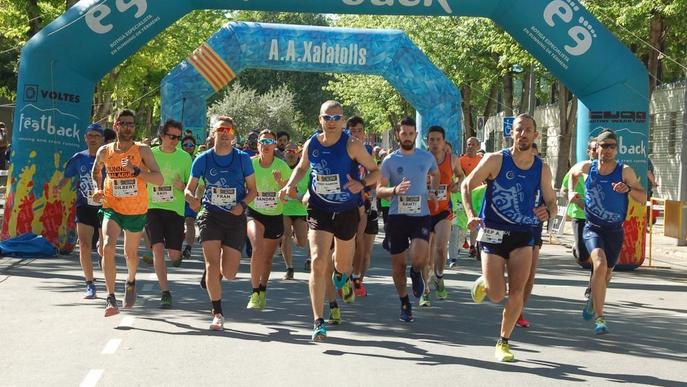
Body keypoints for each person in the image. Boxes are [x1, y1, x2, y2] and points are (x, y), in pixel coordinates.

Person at [279, 100, 379, 342]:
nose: (332, 122)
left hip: (346, 211)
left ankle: (341, 277)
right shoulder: (312, 143)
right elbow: (302, 168)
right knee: (317, 260)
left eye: (336, 118)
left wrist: (362, 184)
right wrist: (290, 184)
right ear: (320, 119)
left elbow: (376, 171)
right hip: (318, 207)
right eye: (327, 118)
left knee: (343, 265)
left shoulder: (352, 145)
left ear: (343, 121)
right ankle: (318, 321)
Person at [461, 114, 556, 361]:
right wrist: (471, 214)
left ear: (536, 135)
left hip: (523, 234)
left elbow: (553, 202)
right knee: (496, 294)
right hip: (493, 233)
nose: (523, 134)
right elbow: (467, 185)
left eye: (528, 130)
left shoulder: (541, 168)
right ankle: (486, 283)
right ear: (511, 133)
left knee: (518, 290)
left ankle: (503, 341)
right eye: (518, 130)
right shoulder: (496, 160)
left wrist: (548, 212)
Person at [568, 129, 646, 335]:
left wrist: (628, 190)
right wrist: (570, 192)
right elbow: (572, 175)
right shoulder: (588, 167)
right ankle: (600, 319)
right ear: (597, 148)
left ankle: (594, 300)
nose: (608, 150)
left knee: (607, 273)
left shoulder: (624, 171)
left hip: (614, 231)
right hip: (592, 227)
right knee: (599, 264)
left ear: (616, 149)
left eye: (612, 146)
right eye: (605, 146)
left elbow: (643, 197)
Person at [185, 116, 257, 330]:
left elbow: (253, 191)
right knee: (211, 263)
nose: (225, 133)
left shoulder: (243, 158)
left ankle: (212, 275)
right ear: (213, 133)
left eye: (229, 130)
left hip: (235, 217)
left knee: (230, 273)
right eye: (220, 130)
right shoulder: (203, 159)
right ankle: (217, 312)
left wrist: (242, 205)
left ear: (233, 134)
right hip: (211, 215)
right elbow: (190, 188)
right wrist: (192, 199)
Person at [92, 109, 163, 317]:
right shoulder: (105, 151)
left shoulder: (143, 151)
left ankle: (131, 279)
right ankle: (110, 297)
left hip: (136, 209)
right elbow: (96, 171)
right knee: (107, 246)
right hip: (111, 206)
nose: (128, 127)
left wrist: (137, 171)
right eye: (123, 123)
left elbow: (159, 179)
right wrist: (97, 189)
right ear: (116, 126)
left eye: (131, 124)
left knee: (130, 254)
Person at [377, 117, 440, 322]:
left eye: (411, 133)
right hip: (397, 216)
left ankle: (416, 272)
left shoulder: (426, 157)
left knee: (420, 257)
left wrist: (434, 191)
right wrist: (394, 190)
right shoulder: (390, 161)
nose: (407, 137)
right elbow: (379, 190)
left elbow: (436, 174)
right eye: (403, 133)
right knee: (397, 265)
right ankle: (404, 302)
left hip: (420, 215)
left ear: (416, 135)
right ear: (398, 135)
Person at [145, 120, 192, 308]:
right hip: (152, 208)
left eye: (178, 138)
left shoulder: (185, 157)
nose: (175, 141)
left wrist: (184, 186)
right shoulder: (150, 154)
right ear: (162, 136)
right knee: (157, 248)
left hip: (175, 210)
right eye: (172, 137)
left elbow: (195, 185)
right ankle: (165, 292)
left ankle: (177, 255)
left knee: (173, 255)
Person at [55, 123, 105, 299]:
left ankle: (102, 258)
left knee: (103, 248)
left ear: (102, 139)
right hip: (84, 206)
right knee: (83, 244)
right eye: (90, 135)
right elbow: (67, 176)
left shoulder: (109, 158)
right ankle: (90, 284)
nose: (93, 139)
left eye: (96, 136)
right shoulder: (78, 158)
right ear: (85, 138)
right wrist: (58, 187)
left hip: (105, 207)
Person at [246, 130, 291, 309]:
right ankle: (255, 291)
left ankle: (263, 289)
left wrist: (281, 183)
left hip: (274, 215)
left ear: (275, 146)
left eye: (270, 141)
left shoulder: (282, 166)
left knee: (267, 258)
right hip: (254, 212)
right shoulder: (250, 164)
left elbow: (291, 194)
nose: (266, 144)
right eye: (263, 141)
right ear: (258, 145)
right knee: (257, 247)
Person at [421, 126, 463, 307]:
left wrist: (457, 184)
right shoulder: (420, 160)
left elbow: (462, 177)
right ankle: (425, 290)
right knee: (425, 255)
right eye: (431, 140)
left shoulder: (452, 159)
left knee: (440, 247)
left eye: (439, 139)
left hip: (443, 210)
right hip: (423, 211)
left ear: (444, 142)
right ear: (427, 142)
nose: (435, 143)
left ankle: (439, 277)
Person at [348, 115, 377, 299]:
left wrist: (371, 188)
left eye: (359, 130)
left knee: (365, 249)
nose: (356, 134)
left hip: (366, 200)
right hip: (348, 202)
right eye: (352, 131)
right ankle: (349, 277)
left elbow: (374, 175)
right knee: (353, 241)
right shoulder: (344, 148)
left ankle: (359, 279)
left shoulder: (367, 150)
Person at [517, 142, 544, 328]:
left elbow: (551, 203)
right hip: (513, 228)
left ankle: (519, 310)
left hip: (534, 230)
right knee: (514, 274)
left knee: (529, 276)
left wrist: (548, 210)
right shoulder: (514, 175)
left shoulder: (542, 174)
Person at [560, 139, 597, 270]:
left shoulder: (608, 170)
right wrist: (576, 199)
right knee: (582, 256)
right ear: (589, 152)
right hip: (580, 214)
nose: (597, 152)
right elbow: (563, 191)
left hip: (598, 217)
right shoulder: (578, 168)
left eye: (599, 148)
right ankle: (577, 247)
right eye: (593, 149)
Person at [281, 142, 310, 278]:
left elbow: (311, 189)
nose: (291, 153)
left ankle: (295, 236)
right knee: (285, 235)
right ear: (284, 153)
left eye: (294, 151)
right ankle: (289, 268)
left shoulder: (306, 169)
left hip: (301, 209)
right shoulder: (279, 167)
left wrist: (298, 196)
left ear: (298, 153)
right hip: (284, 208)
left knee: (302, 242)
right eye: (288, 151)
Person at [460, 136, 483, 259]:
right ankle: (463, 241)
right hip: (465, 194)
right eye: (468, 144)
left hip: (479, 194)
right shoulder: (461, 160)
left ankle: (473, 246)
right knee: (464, 221)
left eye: (473, 144)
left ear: (478, 147)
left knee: (476, 220)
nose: (470, 147)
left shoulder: (482, 160)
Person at [181, 135, 198, 260]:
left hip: (192, 196)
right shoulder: (177, 159)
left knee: (190, 222)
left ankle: (188, 247)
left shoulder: (197, 160)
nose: (188, 147)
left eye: (191, 145)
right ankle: (176, 244)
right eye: (185, 145)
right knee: (178, 223)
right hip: (177, 196)